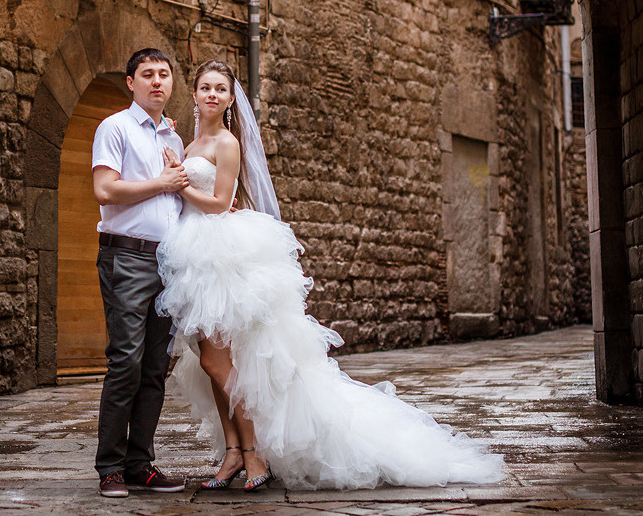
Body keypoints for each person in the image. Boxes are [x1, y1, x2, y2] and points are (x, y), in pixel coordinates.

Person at [155, 60, 505, 491]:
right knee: (211, 362)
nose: (212, 94)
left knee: (220, 361)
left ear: (230, 99)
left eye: (220, 89)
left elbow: (221, 202)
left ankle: (254, 452)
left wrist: (180, 186)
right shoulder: (190, 143)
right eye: (205, 87)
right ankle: (233, 453)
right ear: (194, 94)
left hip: (219, 254)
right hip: (193, 256)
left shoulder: (227, 143)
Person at [90, 48, 189, 497]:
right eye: (147, 74)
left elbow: (176, 201)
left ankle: (139, 464)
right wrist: (162, 183)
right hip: (127, 259)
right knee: (126, 360)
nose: (157, 81)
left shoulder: (175, 139)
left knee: (154, 367)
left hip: (168, 261)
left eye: (164, 74)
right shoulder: (115, 127)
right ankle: (110, 467)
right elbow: (104, 189)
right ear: (131, 83)